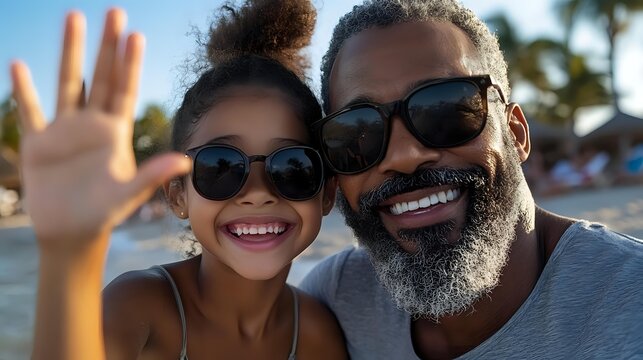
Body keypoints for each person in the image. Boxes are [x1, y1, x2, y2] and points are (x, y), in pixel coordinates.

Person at [300, 0, 643, 358]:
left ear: (516, 133)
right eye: (358, 132)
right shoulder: (338, 299)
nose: (403, 156)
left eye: (447, 109)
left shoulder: (632, 307)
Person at [11, 1, 348, 359]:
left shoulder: (316, 333)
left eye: (293, 167)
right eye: (221, 166)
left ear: (327, 192)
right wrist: (70, 258)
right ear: (178, 195)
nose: (258, 193)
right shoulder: (139, 307)